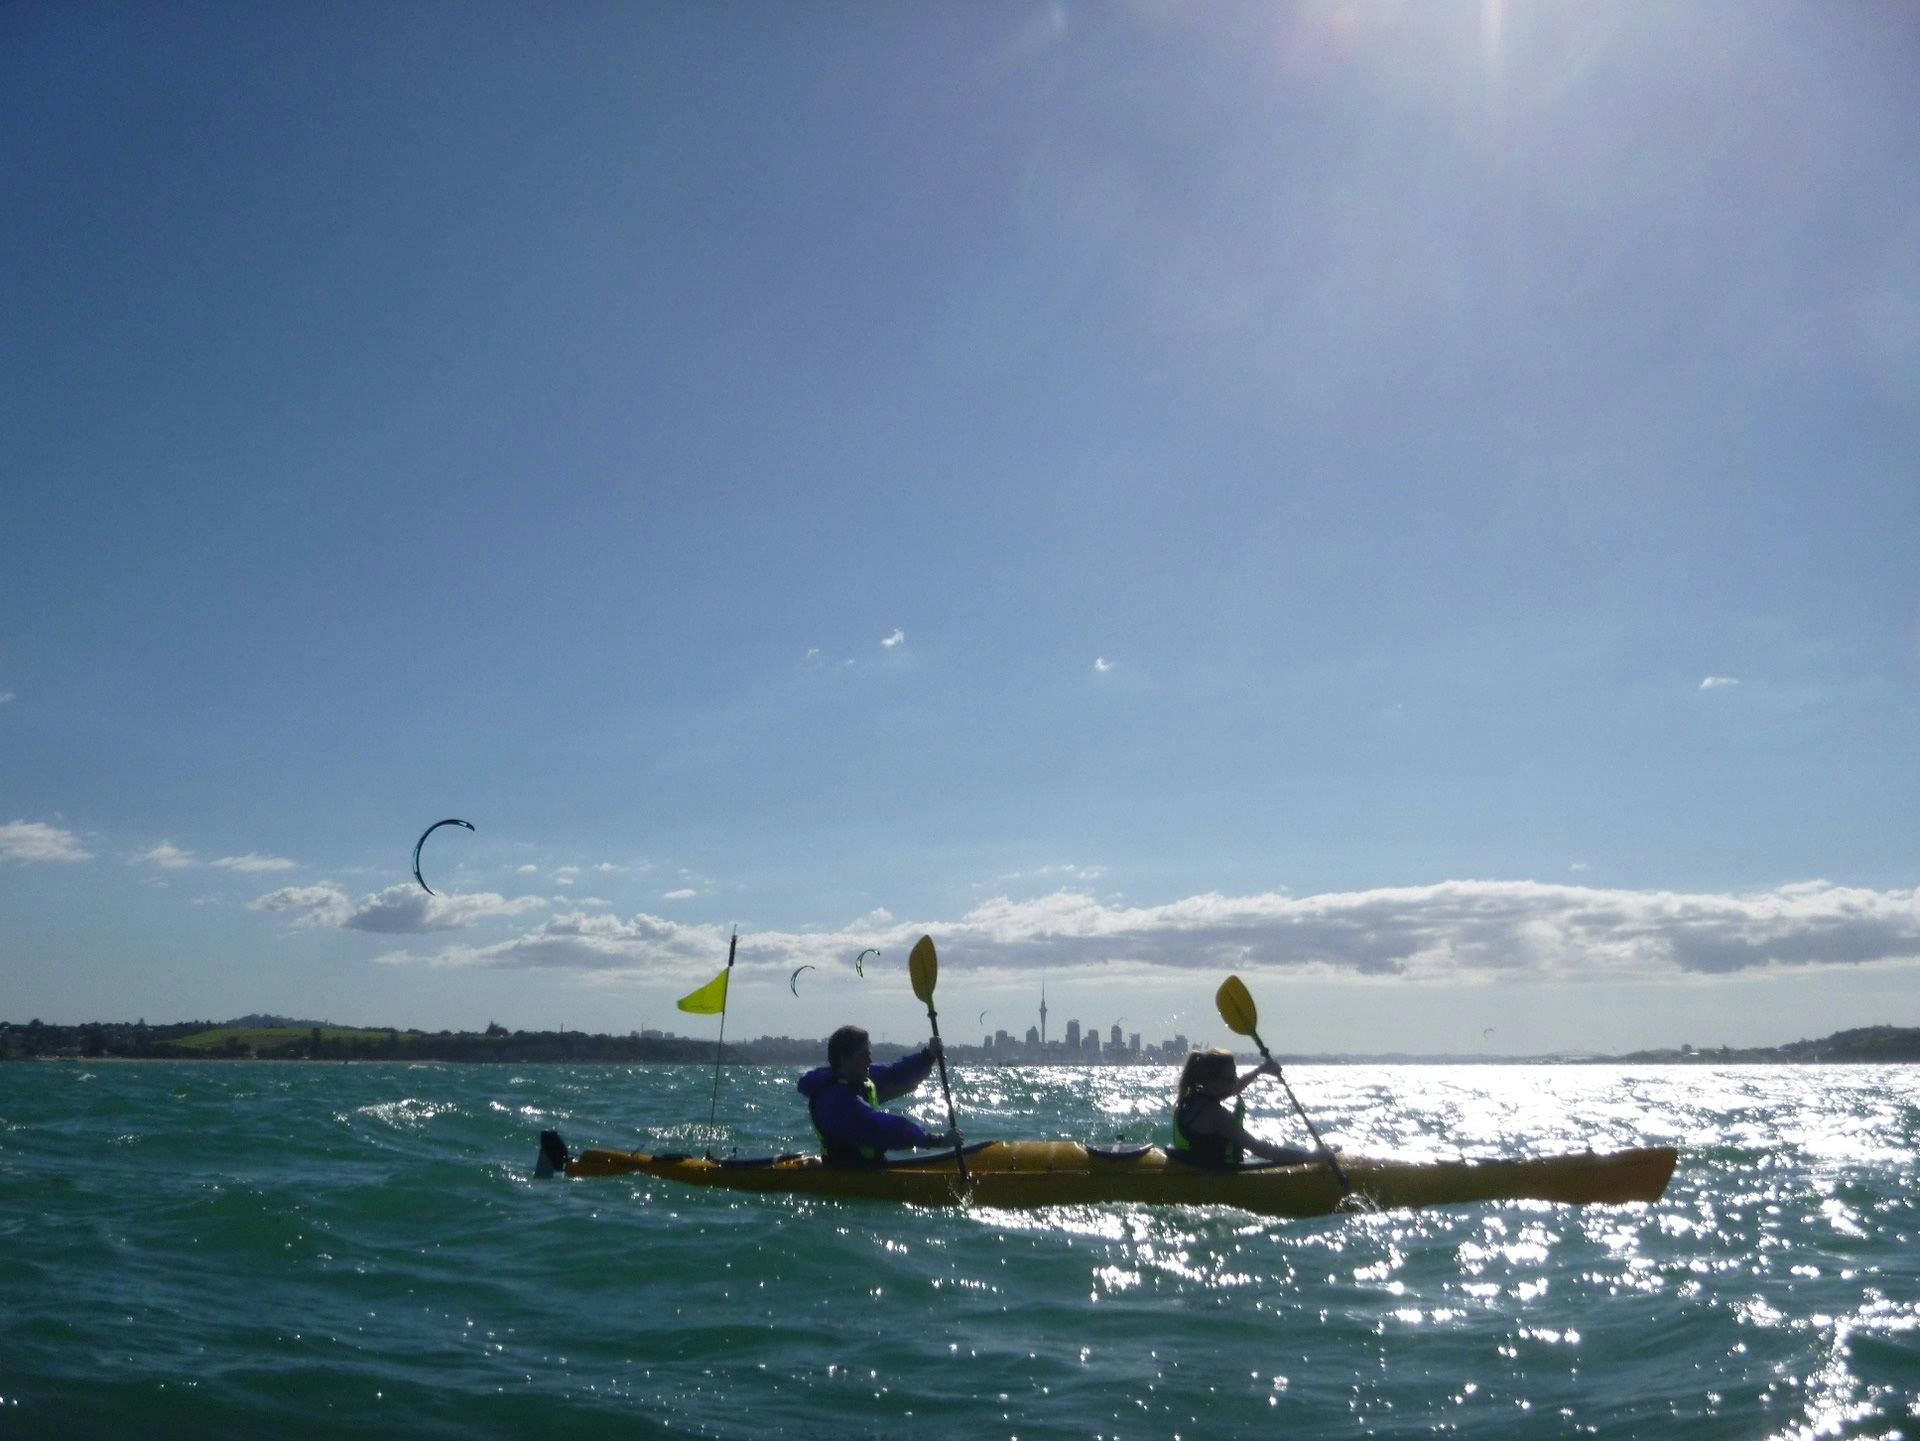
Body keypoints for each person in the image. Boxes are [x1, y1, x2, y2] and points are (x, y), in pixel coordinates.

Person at [798, 1024, 962, 1165]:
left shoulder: (859, 1080)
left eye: (869, 1055)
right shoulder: (834, 1100)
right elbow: (879, 1128)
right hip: (848, 1175)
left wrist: (928, 1056)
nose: (869, 1061)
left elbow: (895, 1075)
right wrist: (934, 1140)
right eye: (863, 1056)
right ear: (843, 1059)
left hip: (869, 1168)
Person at [1171, 1048, 1324, 1167]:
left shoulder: (1188, 1099)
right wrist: (1313, 1157)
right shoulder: (1218, 1116)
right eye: (1230, 1078)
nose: (1235, 1081)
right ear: (1212, 1080)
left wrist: (1260, 1070)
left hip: (1195, 1169)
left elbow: (1234, 1088)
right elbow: (1261, 1150)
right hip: (1219, 1179)